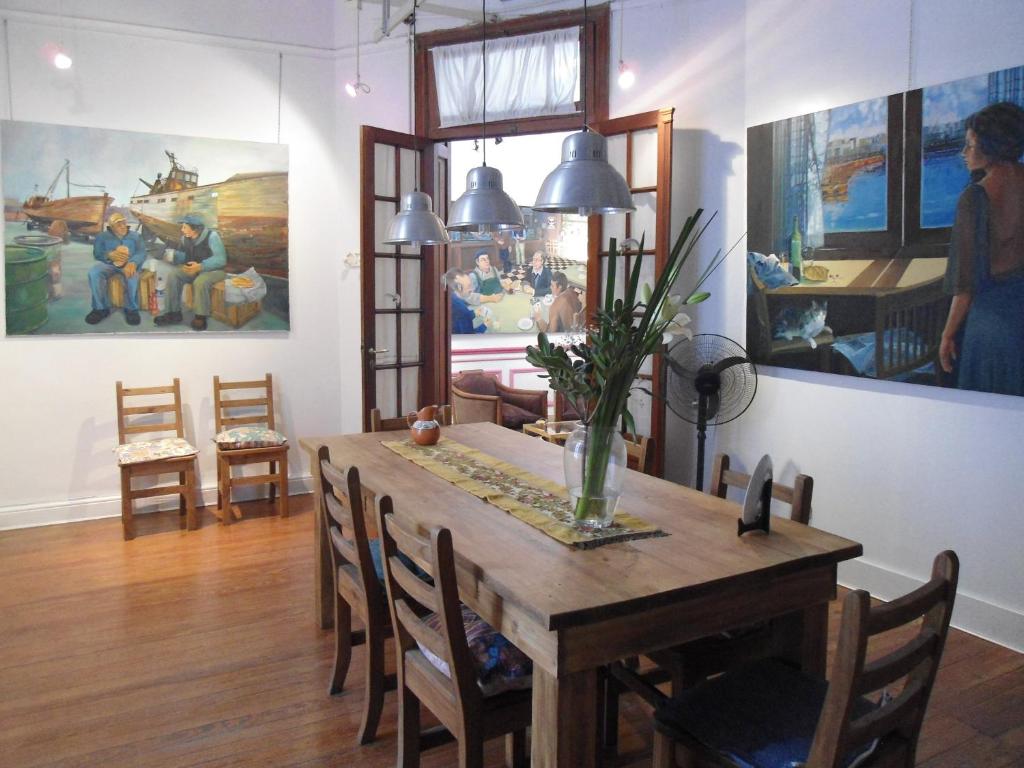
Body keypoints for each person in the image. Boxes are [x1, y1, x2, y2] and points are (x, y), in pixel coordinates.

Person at [939, 101, 1024, 396]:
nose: (964, 154)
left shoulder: (974, 199)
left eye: (970, 146)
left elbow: (965, 286)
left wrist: (948, 334)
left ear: (991, 146)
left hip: (992, 325)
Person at [154, 213, 228, 331]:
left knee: (200, 281)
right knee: (173, 275)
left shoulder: (212, 236)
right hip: (193, 269)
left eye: (184, 227)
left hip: (214, 270)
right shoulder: (185, 239)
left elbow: (221, 259)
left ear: (195, 228)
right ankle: (173, 313)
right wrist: (171, 256)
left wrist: (201, 266)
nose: (182, 230)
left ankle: (200, 316)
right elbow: (185, 257)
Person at [86, 212, 147, 326]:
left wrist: (133, 262)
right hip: (110, 264)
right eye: (119, 224)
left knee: (132, 276)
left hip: (130, 264)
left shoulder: (136, 236)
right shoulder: (102, 237)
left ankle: (131, 309)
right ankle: (100, 309)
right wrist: (109, 255)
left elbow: (142, 252)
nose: (123, 226)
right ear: (112, 227)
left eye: (124, 222)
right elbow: (97, 253)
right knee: (94, 273)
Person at [445, 267, 490, 334]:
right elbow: (470, 336)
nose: (472, 289)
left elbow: (458, 320)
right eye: (469, 286)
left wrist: (474, 313)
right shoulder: (462, 310)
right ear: (459, 287)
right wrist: (485, 325)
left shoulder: (451, 298)